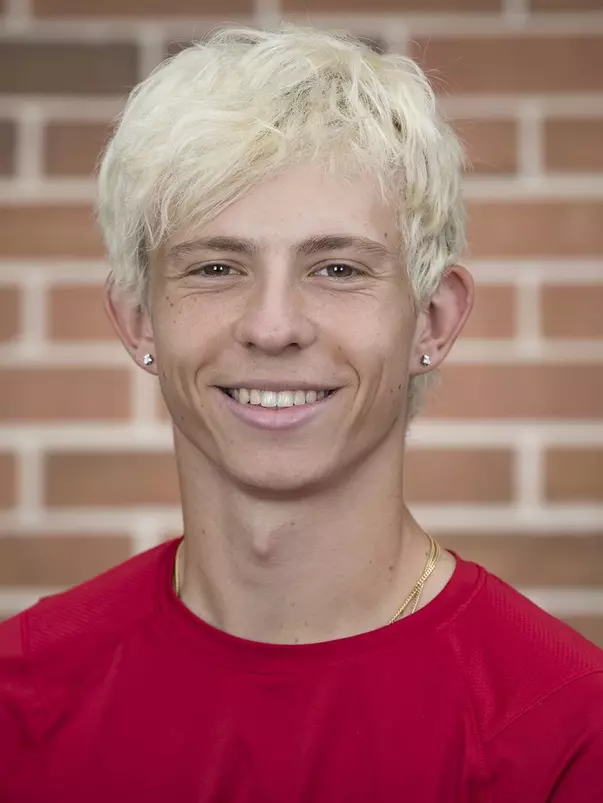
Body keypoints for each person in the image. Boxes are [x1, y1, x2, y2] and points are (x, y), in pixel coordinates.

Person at [1, 23, 602, 802]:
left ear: (431, 319)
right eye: (216, 267)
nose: (273, 324)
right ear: (139, 317)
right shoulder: (21, 695)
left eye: (338, 267)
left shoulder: (563, 729)